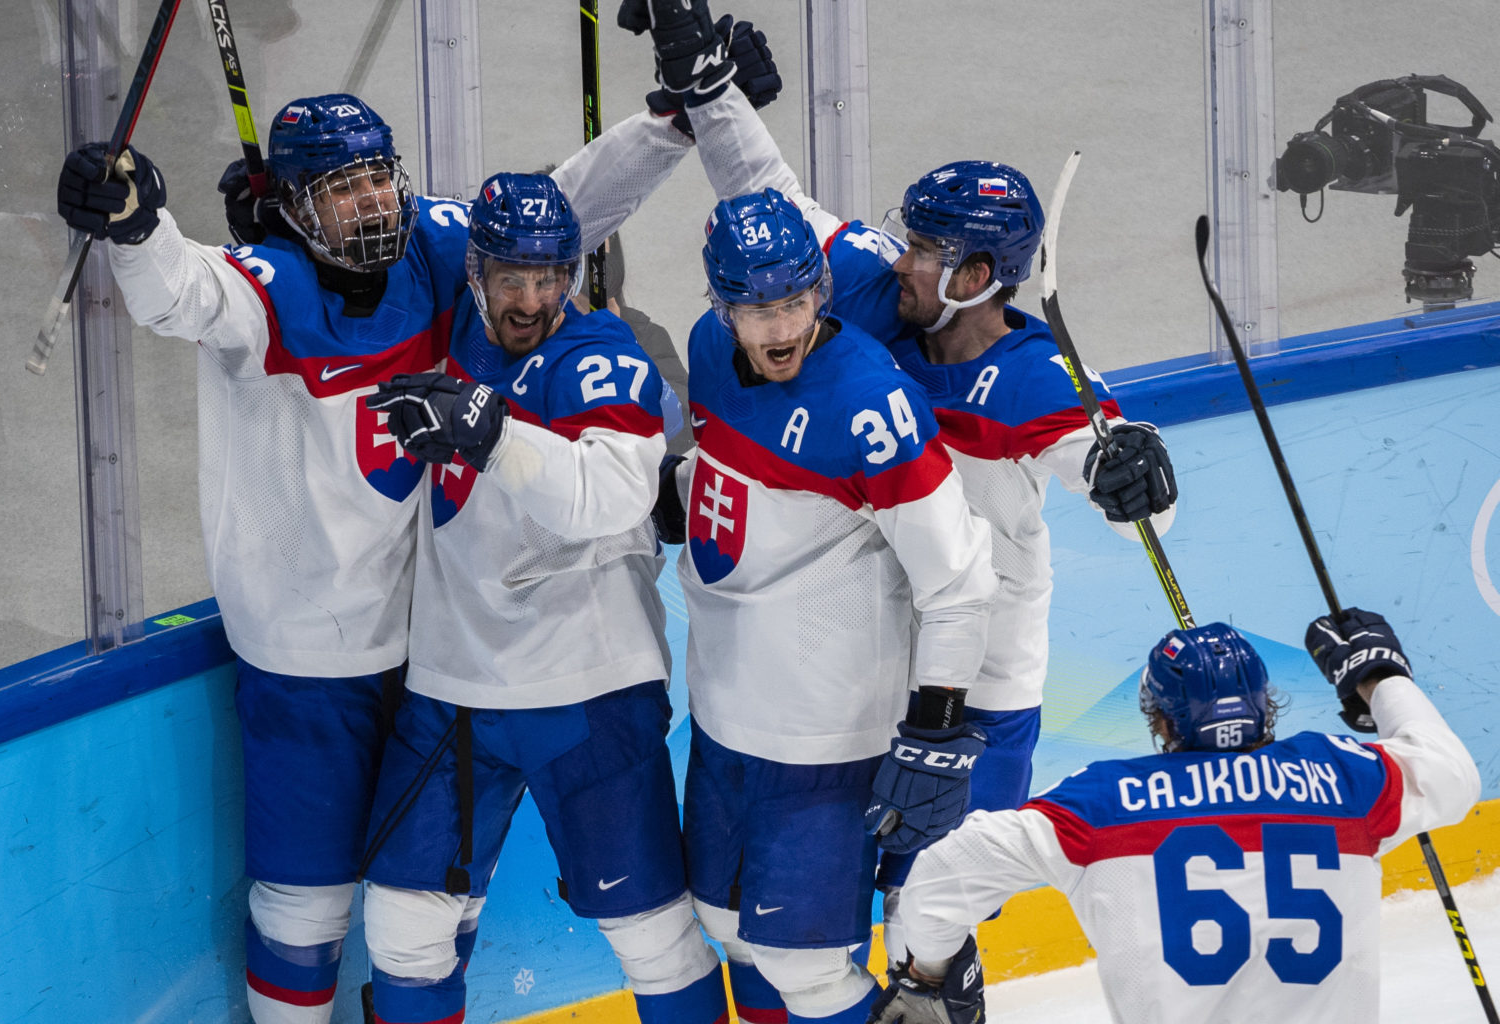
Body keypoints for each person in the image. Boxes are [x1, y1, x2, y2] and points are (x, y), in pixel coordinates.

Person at [51, 71, 755, 1021]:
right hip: (315, 650)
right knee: (311, 906)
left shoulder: (438, 247)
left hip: (437, 652)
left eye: (379, 177)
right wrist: (138, 229)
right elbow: (183, 295)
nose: (373, 203)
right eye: (342, 190)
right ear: (294, 207)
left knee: (433, 916)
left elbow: (554, 215)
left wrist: (670, 122)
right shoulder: (272, 289)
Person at [663, 53, 1178, 958]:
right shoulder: (869, 293)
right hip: (878, 679)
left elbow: (1132, 495)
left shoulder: (1036, 382)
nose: (904, 261)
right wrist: (711, 92)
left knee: (926, 935)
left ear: (978, 274)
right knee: (817, 929)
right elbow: (768, 189)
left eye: (929, 251)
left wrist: (1138, 472)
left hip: (981, 693)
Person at [355, 172, 731, 1024]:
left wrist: (490, 431)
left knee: (650, 932)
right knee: (403, 927)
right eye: (512, 279)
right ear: (475, 271)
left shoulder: (600, 358)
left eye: (549, 277)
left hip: (589, 689)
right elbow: (370, 237)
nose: (531, 299)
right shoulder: (449, 328)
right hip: (452, 689)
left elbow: (606, 496)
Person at [648, 185, 999, 1024]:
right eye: (758, 309)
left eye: (798, 302)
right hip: (726, 716)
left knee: (801, 966)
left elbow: (959, 579)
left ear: (821, 293)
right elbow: (738, 477)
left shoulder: (871, 407)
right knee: (739, 938)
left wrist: (936, 725)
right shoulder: (705, 348)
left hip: (826, 738)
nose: (782, 328)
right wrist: (681, 488)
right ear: (721, 307)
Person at [867, 610, 1481, 1024]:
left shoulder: (1099, 804)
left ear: (1159, 720)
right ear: (1267, 706)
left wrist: (927, 975)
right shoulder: (1344, 777)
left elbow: (943, 875)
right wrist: (1378, 675)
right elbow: (1453, 775)